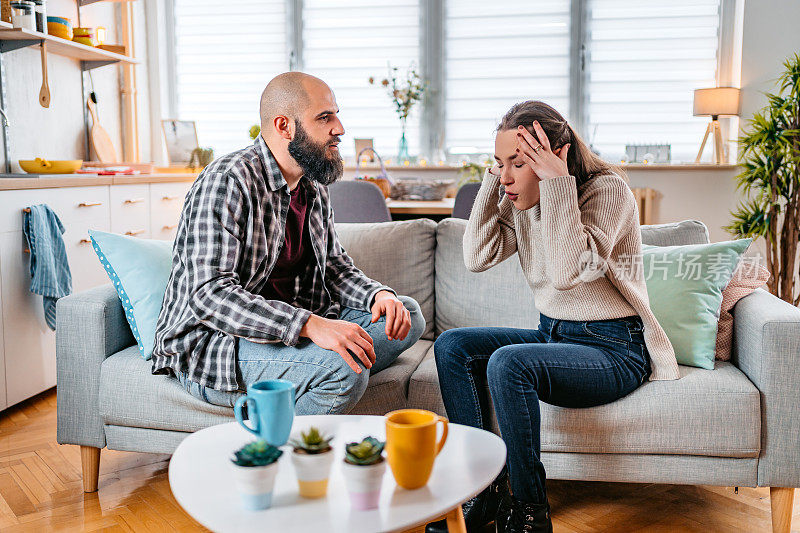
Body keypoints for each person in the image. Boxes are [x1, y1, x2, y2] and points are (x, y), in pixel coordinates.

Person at [429, 101, 679, 533]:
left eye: (518, 163)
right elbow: (476, 256)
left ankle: (529, 510)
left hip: (614, 349)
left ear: (554, 156)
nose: (506, 176)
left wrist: (559, 185)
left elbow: (568, 272)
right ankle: (482, 491)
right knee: (453, 346)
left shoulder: (606, 192)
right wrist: (495, 182)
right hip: (555, 336)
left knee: (509, 362)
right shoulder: (521, 198)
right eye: (498, 163)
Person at [151, 72, 426, 415]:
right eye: (325, 117)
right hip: (217, 341)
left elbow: (335, 269)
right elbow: (210, 294)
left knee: (406, 316)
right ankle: (277, 436)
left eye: (336, 115)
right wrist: (311, 326)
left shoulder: (313, 185)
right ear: (284, 126)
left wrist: (378, 296)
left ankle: (289, 386)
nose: (339, 128)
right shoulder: (228, 180)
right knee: (343, 370)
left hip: (284, 332)